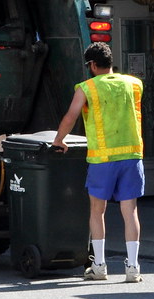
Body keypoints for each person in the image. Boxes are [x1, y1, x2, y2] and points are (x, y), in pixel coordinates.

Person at [52, 42, 145, 283]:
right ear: (110, 61)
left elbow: (71, 116)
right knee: (130, 211)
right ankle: (133, 267)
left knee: (97, 210)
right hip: (131, 156)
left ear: (92, 65)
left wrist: (59, 140)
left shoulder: (87, 88)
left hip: (102, 158)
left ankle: (100, 265)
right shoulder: (134, 85)